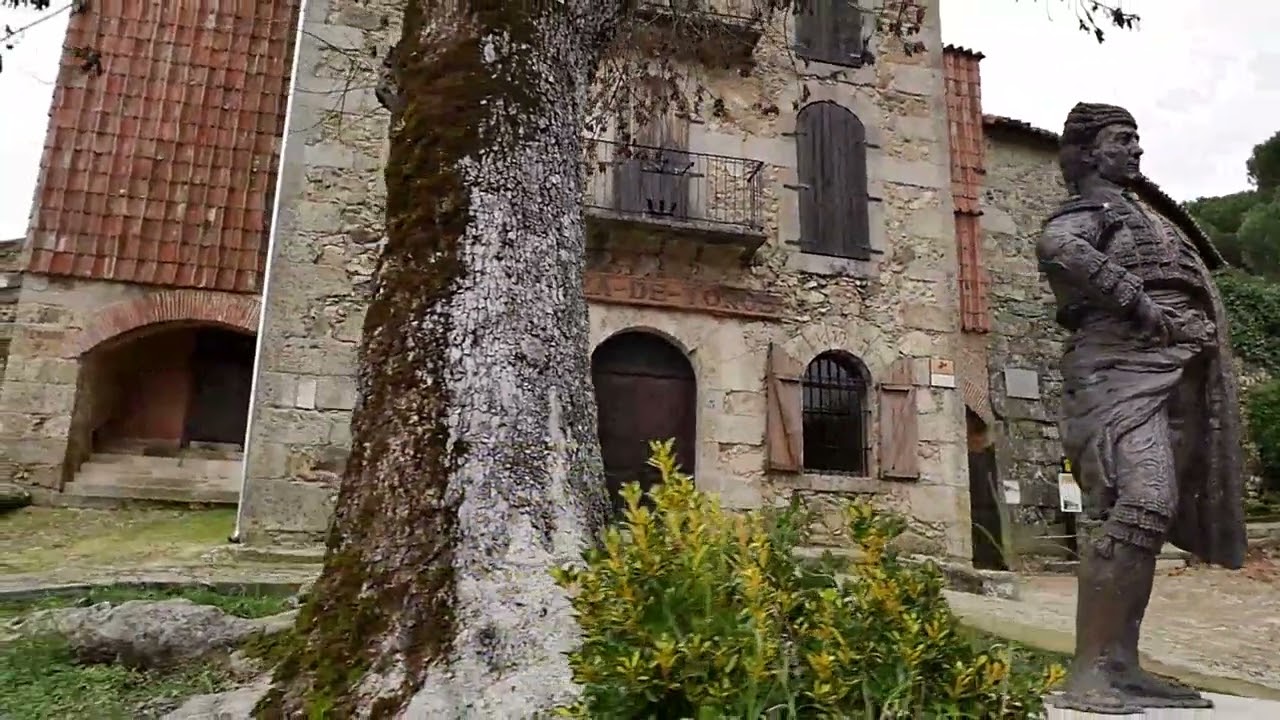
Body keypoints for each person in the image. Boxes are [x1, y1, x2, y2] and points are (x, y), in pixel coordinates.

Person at [1036, 102, 1247, 713]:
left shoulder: (1142, 214)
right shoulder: (1091, 210)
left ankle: (1121, 664)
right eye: (1122, 140)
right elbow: (1060, 247)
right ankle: (1089, 672)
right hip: (1115, 368)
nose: (1136, 150)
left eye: (1136, 139)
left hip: (1174, 368)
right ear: (1090, 152)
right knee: (1139, 502)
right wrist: (1145, 306)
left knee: (1150, 518)